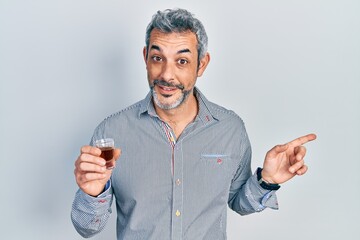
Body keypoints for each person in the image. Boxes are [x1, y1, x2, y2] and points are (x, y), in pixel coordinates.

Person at [71, 8, 316, 240]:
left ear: (202, 64)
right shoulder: (112, 132)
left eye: (182, 61)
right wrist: (92, 193)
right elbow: (88, 227)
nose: (167, 75)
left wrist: (267, 180)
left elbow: (239, 202)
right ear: (145, 58)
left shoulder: (230, 129)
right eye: (158, 58)